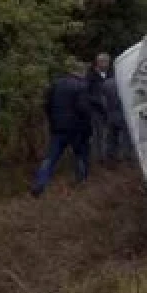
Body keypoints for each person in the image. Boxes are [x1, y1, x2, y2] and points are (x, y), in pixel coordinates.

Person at [31, 62, 94, 195]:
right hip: (76, 128)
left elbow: (47, 105)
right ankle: (81, 181)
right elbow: (83, 109)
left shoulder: (56, 84)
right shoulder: (82, 86)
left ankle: (40, 183)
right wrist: (88, 127)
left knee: (51, 157)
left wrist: (52, 120)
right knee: (80, 155)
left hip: (58, 127)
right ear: (81, 72)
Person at [86, 52, 112, 162]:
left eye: (108, 62)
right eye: (104, 62)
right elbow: (87, 93)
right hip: (95, 111)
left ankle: (106, 157)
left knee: (107, 135)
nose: (107, 64)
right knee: (96, 135)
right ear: (98, 62)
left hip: (109, 110)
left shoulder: (111, 74)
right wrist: (98, 102)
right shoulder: (90, 76)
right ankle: (96, 158)